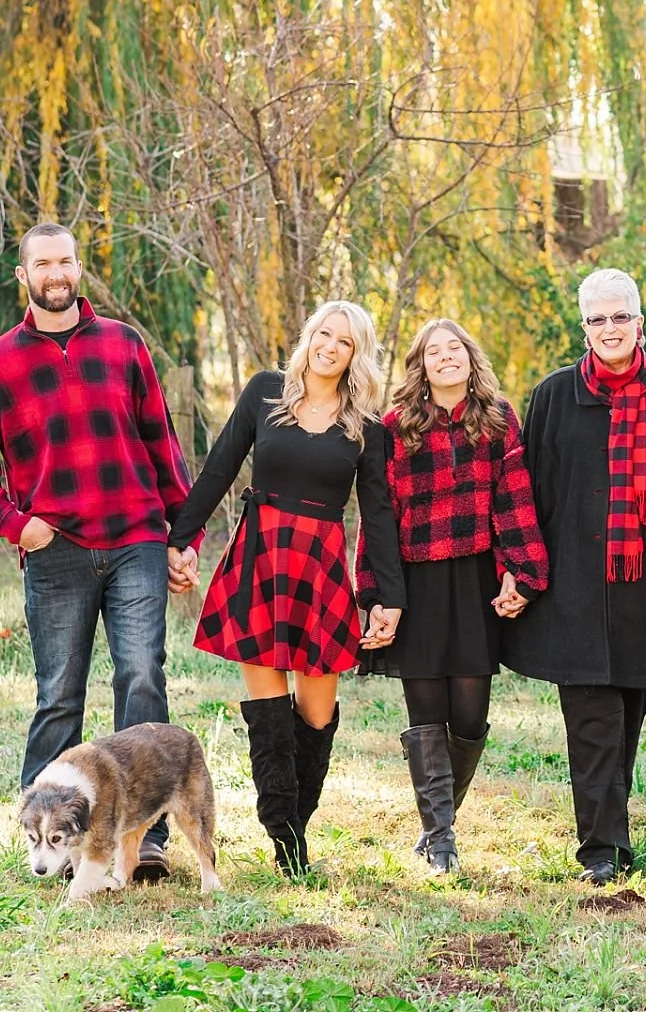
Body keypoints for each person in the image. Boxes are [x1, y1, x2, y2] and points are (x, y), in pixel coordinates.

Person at [0, 223, 194, 884]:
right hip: (54, 548)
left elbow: (163, 447)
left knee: (142, 676)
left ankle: (142, 840)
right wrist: (16, 524)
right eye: (43, 263)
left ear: (78, 268)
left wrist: (184, 537)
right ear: (23, 275)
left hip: (136, 538)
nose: (56, 273)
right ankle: (47, 836)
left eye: (65, 261)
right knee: (58, 693)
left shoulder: (123, 344)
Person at [167, 299, 404, 878]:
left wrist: (388, 597)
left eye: (344, 341)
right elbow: (221, 466)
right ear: (309, 335)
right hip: (260, 557)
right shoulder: (265, 392)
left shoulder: (365, 426)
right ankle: (285, 840)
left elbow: (377, 515)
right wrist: (181, 538)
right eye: (324, 333)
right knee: (268, 712)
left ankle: (297, 818)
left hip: (319, 568)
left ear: (356, 355)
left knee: (317, 714)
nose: (330, 346)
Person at [499, 268, 646, 885]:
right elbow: (527, 492)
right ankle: (601, 850)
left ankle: (610, 833)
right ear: (583, 327)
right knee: (591, 719)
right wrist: (522, 570)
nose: (609, 329)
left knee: (628, 714)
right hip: (574, 585)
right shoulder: (555, 394)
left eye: (620, 317)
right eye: (598, 319)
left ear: (638, 323)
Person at [355, 317, 551, 874]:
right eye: (434, 352)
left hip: (473, 581)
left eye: (454, 349)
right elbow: (379, 516)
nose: (446, 358)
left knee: (468, 715)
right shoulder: (394, 426)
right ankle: (440, 838)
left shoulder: (497, 418)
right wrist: (375, 592)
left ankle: (440, 819)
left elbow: (515, 498)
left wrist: (524, 572)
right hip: (414, 582)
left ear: (469, 358)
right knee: (426, 710)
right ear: (421, 364)